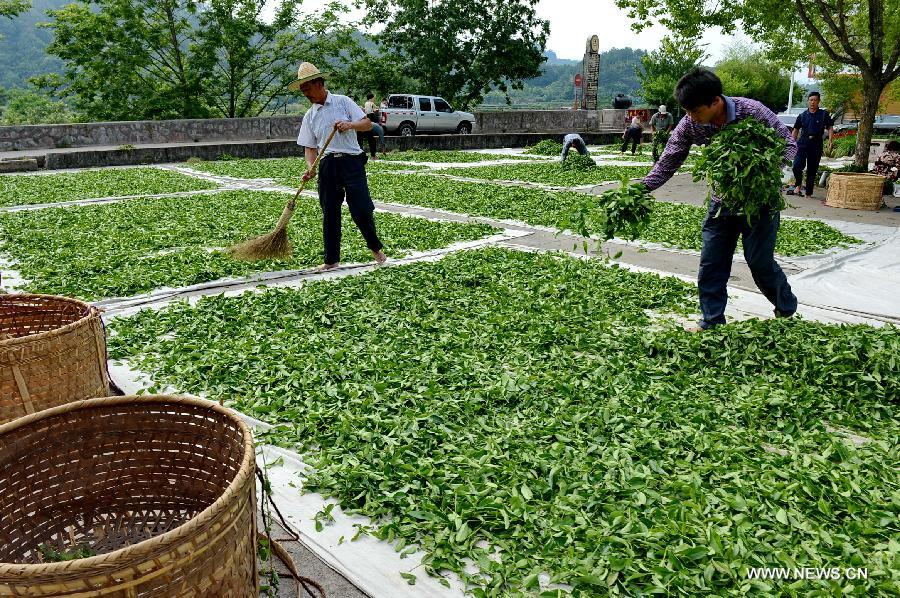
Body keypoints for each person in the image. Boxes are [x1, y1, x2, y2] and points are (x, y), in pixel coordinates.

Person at [642, 67, 798, 332]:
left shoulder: (753, 112)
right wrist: (643, 188)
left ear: (715, 101)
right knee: (712, 262)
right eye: (687, 112)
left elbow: (789, 146)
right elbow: (669, 158)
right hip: (722, 202)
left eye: (695, 111)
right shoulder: (690, 123)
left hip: (760, 201)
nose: (691, 117)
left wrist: (768, 172)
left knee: (759, 262)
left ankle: (786, 307)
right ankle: (711, 321)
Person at [290, 62, 387, 271]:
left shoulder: (343, 102)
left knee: (361, 208)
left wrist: (349, 125)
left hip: (352, 161)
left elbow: (367, 124)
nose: (305, 94)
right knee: (330, 212)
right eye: (302, 90)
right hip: (327, 165)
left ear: (318, 83)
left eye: (307, 88)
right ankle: (331, 259)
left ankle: (375, 249)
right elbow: (309, 148)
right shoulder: (310, 116)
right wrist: (311, 167)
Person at [789, 92, 833, 197]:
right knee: (796, 166)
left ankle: (808, 193)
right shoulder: (802, 115)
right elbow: (795, 130)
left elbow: (830, 127)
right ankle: (798, 184)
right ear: (808, 101)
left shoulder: (823, 114)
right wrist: (791, 142)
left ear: (818, 101)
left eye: (815, 100)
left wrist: (830, 140)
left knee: (812, 170)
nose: (812, 102)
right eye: (811, 100)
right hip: (803, 143)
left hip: (816, 143)